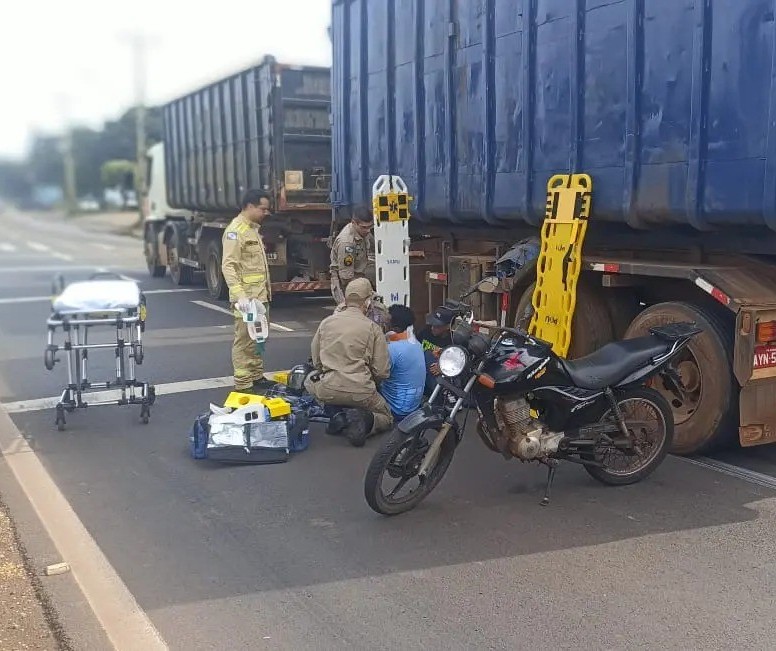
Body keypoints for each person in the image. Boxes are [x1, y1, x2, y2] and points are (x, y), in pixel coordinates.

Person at [305, 278, 393, 447]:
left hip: (329, 389)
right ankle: (365, 420)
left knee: (310, 380)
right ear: (367, 302)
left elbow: (316, 361)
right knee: (387, 417)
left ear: (345, 299)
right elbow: (382, 371)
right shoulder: (372, 328)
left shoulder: (326, 322)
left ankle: (337, 414)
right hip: (361, 391)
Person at [221, 189, 274, 393]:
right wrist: (240, 296)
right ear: (249, 206)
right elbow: (228, 266)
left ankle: (256, 376)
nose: (266, 213)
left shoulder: (252, 229)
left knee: (258, 338)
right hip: (247, 300)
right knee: (244, 341)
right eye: (263, 209)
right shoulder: (236, 231)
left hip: (260, 297)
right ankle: (243, 384)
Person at [380, 304, 427, 420]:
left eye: (385, 323)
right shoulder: (416, 344)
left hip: (397, 410)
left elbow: (378, 375)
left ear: (394, 328)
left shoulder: (393, 349)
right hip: (413, 407)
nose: (383, 325)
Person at [329, 206, 374, 305]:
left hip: (358, 277)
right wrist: (364, 289)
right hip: (346, 284)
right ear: (354, 223)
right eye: (364, 227)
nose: (368, 230)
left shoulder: (363, 232)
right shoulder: (347, 243)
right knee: (350, 313)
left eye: (370, 226)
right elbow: (346, 277)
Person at [416, 306, 455, 396]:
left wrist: (443, 368)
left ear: (447, 326)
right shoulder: (425, 332)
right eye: (432, 324)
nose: (432, 328)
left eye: (437, 326)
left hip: (438, 378)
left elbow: (458, 365)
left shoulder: (452, 341)